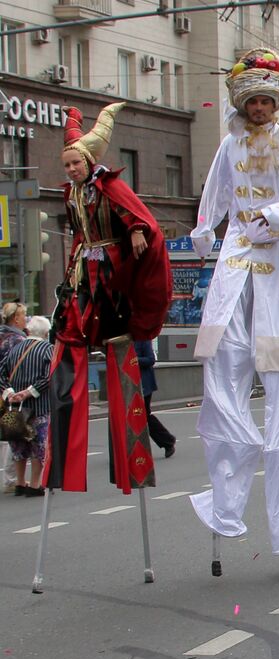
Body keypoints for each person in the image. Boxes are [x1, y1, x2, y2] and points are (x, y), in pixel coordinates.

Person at [189, 48, 279, 566]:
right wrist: (206, 229)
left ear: (276, 104)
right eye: (253, 102)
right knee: (222, 358)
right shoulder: (228, 145)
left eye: (268, 101)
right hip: (235, 261)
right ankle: (231, 471)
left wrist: (277, 214)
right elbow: (216, 195)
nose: (261, 110)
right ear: (243, 104)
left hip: (276, 260)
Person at [47, 103, 172, 495]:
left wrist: (136, 230)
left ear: (87, 161)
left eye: (75, 163)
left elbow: (137, 215)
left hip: (113, 267)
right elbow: (78, 235)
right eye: (66, 165)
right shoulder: (73, 194)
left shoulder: (107, 185)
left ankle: (115, 335)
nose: (71, 170)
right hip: (86, 264)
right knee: (70, 325)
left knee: (115, 322)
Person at [1, 316, 54, 496]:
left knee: (18, 444)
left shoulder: (14, 349)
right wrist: (29, 392)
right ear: (46, 333)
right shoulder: (48, 349)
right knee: (38, 445)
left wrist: (10, 393)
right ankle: (35, 484)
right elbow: (48, 376)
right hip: (38, 405)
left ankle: (20, 483)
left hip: (15, 407)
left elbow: (2, 374)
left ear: (29, 331)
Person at [133, 339, 177, 458]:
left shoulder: (143, 339)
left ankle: (167, 441)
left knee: (144, 415)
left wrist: (134, 360)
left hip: (144, 385)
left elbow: (150, 359)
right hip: (130, 384)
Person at [0, 302, 26, 493]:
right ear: (15, 319)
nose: (26, 320)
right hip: (10, 392)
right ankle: (11, 479)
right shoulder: (17, 340)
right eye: (24, 316)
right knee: (13, 433)